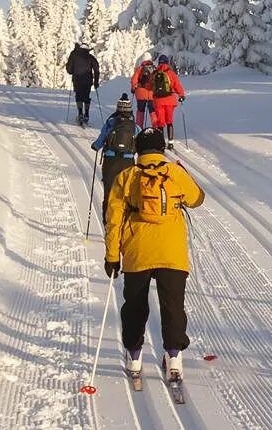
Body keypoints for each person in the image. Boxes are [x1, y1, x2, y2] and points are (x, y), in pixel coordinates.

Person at [106, 128, 208, 381]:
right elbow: (197, 199)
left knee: (135, 306)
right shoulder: (174, 172)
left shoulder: (127, 176)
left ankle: (134, 357)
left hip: (137, 251)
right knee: (173, 305)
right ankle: (173, 358)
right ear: (161, 149)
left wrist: (111, 256)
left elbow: (113, 219)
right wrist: (185, 173)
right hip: (172, 252)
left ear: (138, 150)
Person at [90, 95, 141, 213]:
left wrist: (95, 146)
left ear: (118, 108)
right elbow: (139, 143)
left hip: (111, 161)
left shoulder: (111, 121)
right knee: (127, 192)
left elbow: (101, 139)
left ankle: (107, 223)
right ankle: (125, 221)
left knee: (109, 193)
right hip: (128, 162)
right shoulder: (134, 125)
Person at [148, 58, 186, 139]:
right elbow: (177, 85)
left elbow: (150, 86)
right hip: (170, 100)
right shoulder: (171, 73)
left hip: (158, 101)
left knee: (160, 122)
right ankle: (170, 141)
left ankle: (161, 142)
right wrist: (181, 95)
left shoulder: (154, 74)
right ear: (167, 63)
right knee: (169, 121)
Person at [67, 43, 101, 125]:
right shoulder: (90, 57)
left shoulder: (74, 56)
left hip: (77, 80)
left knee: (78, 96)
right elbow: (97, 69)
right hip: (88, 80)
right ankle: (86, 114)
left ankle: (80, 114)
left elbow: (69, 70)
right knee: (86, 97)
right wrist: (96, 81)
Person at [131, 59, 158, 127]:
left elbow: (134, 79)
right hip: (152, 94)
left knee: (140, 111)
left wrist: (133, 88)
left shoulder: (140, 69)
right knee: (153, 111)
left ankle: (139, 128)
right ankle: (155, 127)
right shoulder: (155, 69)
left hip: (141, 94)